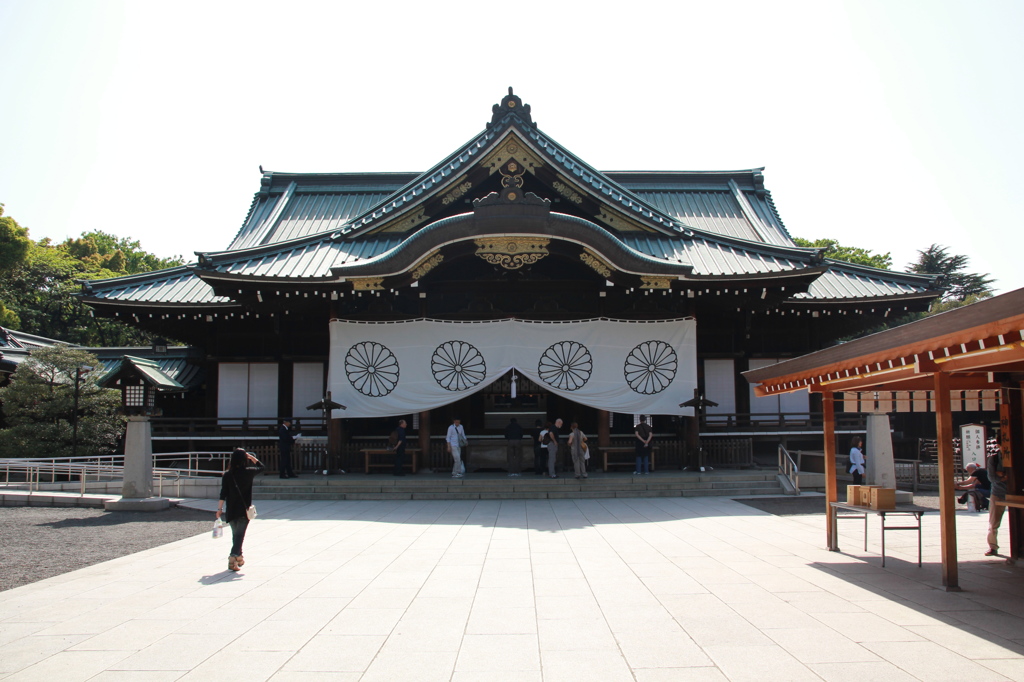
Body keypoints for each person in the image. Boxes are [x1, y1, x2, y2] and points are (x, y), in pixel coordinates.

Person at [216, 448, 265, 572]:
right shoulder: (248, 472)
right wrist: (251, 457)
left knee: (236, 535)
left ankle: (239, 558)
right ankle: (233, 557)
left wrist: (219, 508)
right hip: (244, 509)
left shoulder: (227, 474)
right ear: (244, 459)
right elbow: (262, 467)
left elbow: (223, 493)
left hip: (231, 509)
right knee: (239, 535)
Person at [986, 453, 1008, 556]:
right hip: (998, 492)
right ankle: (993, 546)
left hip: (1015, 492)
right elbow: (991, 477)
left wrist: (1001, 474)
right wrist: (1002, 476)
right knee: (993, 523)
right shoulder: (994, 459)